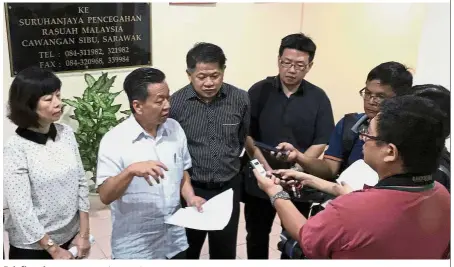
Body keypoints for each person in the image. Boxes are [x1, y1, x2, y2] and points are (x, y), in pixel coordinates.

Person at [255, 95, 450, 259]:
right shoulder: (442, 195)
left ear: (390, 152)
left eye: (369, 134)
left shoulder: (351, 210)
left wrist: (275, 192)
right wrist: (313, 180)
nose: (362, 138)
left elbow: (305, 236)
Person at [96, 67, 205, 259]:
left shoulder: (175, 129)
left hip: (174, 238)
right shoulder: (114, 140)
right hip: (136, 245)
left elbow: (182, 172)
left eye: (168, 98)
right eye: (159, 100)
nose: (167, 105)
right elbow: (105, 195)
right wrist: (129, 172)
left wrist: (190, 197)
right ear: (137, 106)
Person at [243, 33, 335, 259]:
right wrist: (266, 170)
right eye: (286, 63)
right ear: (278, 60)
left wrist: (296, 169)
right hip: (261, 180)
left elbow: (321, 139)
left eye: (299, 65)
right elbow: (247, 136)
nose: (291, 70)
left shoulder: (318, 97)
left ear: (309, 66)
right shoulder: (258, 91)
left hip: (298, 181)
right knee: (256, 234)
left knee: (295, 239)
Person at [169, 42, 250, 259]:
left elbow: (242, 138)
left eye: (215, 75)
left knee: (224, 251)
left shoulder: (240, 99)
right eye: (201, 76)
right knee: (188, 250)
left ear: (223, 71)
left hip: (228, 187)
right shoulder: (175, 104)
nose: (209, 83)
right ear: (189, 75)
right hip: (191, 187)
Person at [3, 66, 90, 260]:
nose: (58, 103)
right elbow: (21, 210)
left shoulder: (65, 133)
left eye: (58, 95)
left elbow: (81, 183)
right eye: (48, 99)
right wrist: (54, 250)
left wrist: (83, 233)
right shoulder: (16, 148)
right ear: (28, 105)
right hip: (34, 246)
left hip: (72, 236)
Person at [275, 61, 413, 180]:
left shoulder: (409, 135)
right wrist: (299, 157)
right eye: (368, 93)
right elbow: (329, 169)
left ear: (399, 99)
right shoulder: (349, 125)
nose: (371, 101)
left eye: (380, 96)